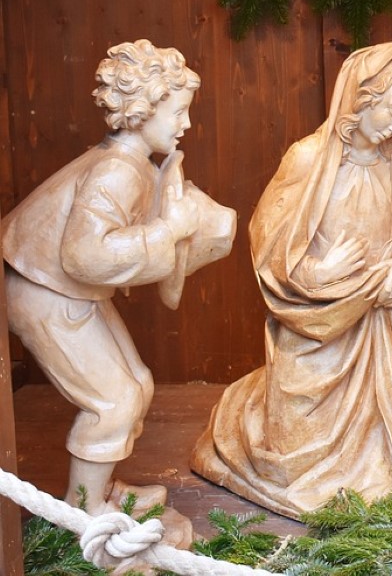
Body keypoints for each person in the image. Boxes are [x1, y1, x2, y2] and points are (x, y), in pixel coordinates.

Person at [191, 42, 392, 518]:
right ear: (361, 100)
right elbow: (270, 243)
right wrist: (317, 271)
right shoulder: (308, 159)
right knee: (299, 457)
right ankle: (244, 416)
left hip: (383, 332)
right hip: (321, 329)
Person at [2, 39, 236, 516]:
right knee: (115, 400)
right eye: (179, 112)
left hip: (68, 289)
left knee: (138, 383)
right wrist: (170, 230)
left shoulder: (132, 164)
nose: (187, 124)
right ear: (142, 111)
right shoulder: (116, 171)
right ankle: (84, 513)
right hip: (43, 289)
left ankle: (102, 489)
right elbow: (85, 255)